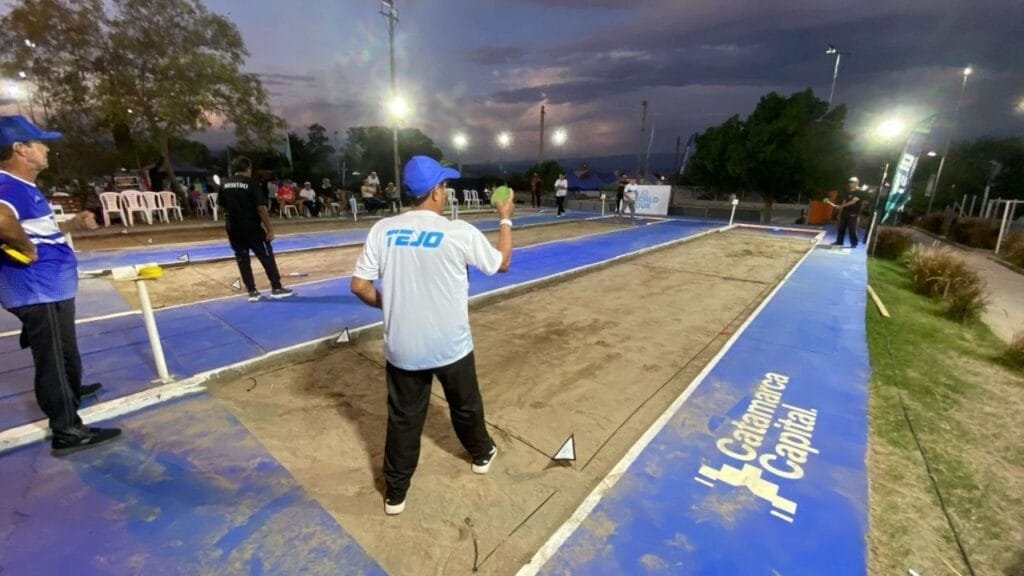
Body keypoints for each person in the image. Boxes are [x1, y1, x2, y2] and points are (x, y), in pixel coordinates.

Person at [350, 155, 514, 516]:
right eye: (445, 186)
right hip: (451, 345)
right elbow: (501, 263)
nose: (447, 192)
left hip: (403, 348)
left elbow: (359, 286)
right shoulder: (458, 232)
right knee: (465, 406)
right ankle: (481, 453)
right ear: (436, 192)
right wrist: (505, 216)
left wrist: (389, 305)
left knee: (404, 419)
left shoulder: (383, 229)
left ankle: (395, 493)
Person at [0, 115, 121, 455]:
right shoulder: (6, 184)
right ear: (20, 149)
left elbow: (35, 226)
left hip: (50, 287)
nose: (46, 149)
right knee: (51, 354)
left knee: (64, 346)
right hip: (36, 287)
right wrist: (25, 248)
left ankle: (71, 389)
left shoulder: (23, 187)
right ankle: (67, 428)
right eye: (40, 143)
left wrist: (74, 222)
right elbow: (1, 219)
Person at [217, 157, 294, 301]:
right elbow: (261, 208)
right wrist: (269, 229)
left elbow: (221, 207)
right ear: (248, 168)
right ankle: (276, 287)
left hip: (233, 227)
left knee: (242, 259)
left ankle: (252, 292)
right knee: (266, 256)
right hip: (251, 226)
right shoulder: (251, 184)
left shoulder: (224, 184)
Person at [827, 176, 864, 248]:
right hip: (845, 212)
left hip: (853, 213)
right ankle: (839, 242)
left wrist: (841, 206)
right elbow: (844, 201)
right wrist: (840, 210)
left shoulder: (860, 192)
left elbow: (853, 201)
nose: (850, 183)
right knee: (841, 228)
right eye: (850, 182)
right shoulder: (848, 192)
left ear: (856, 183)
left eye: (852, 182)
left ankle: (854, 243)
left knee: (852, 229)